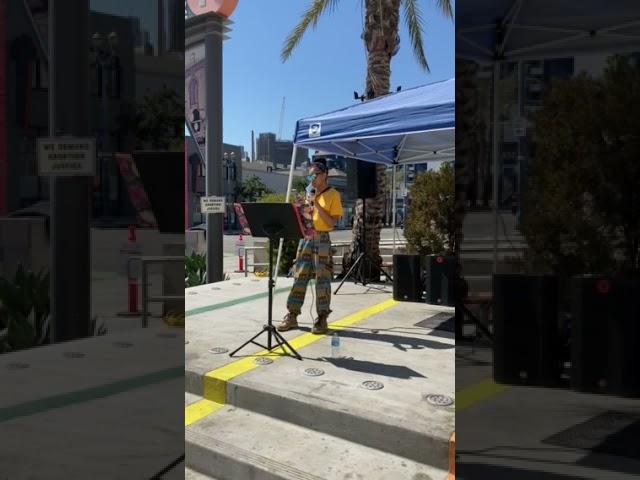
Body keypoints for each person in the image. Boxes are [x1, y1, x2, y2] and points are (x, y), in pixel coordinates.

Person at [277, 160, 343, 334]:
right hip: (306, 237)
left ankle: (322, 318)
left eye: (315, 175)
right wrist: (302, 208)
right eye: (310, 175)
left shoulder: (333, 194)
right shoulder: (309, 193)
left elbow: (331, 222)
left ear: (325, 175)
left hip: (322, 237)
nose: (312, 179)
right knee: (299, 275)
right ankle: (292, 315)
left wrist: (317, 205)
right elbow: (307, 217)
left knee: (322, 278)